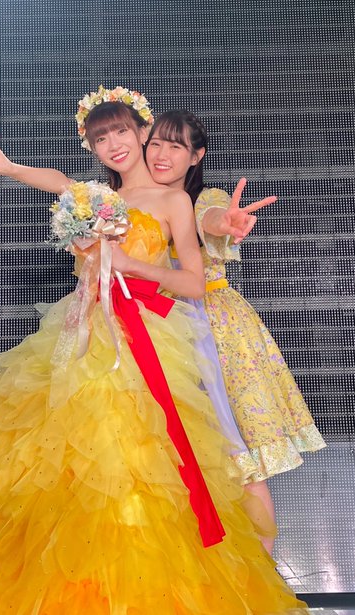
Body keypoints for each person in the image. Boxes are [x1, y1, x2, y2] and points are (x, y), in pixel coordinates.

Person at [0, 88, 311, 614]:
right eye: (100, 139)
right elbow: (56, 181)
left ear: (143, 132)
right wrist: (6, 166)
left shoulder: (175, 201)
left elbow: (193, 281)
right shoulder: (91, 199)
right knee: (53, 458)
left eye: (121, 131)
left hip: (147, 338)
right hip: (84, 333)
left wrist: (133, 265)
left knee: (139, 460)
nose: (113, 144)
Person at [145, 109, 327, 554]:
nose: (162, 154)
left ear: (196, 156)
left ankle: (262, 575)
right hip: (150, 327)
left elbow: (211, 218)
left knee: (240, 454)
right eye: (156, 144)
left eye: (175, 146)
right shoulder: (129, 202)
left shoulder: (204, 198)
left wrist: (223, 223)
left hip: (213, 329)